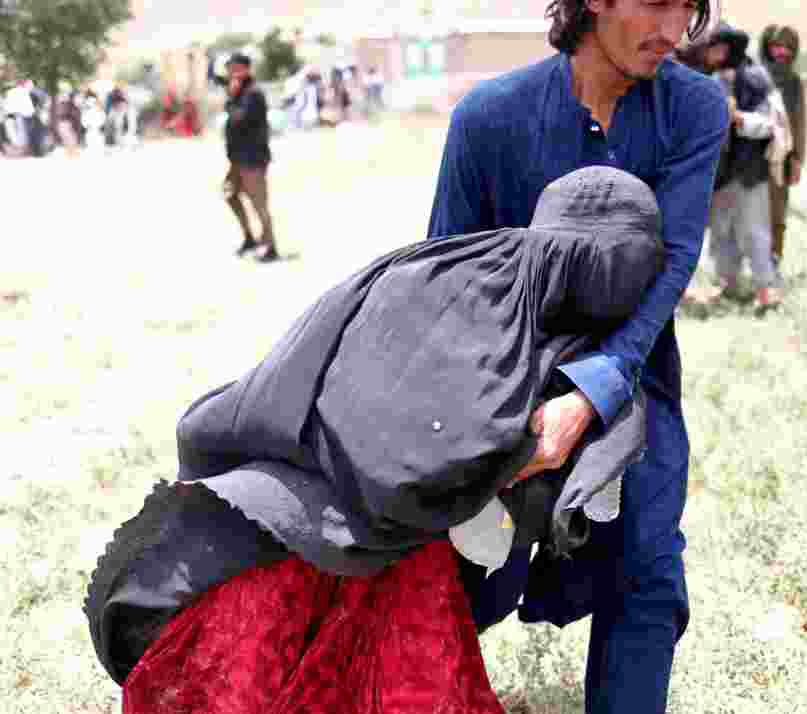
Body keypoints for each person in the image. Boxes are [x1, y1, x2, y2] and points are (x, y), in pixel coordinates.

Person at [86, 166, 665, 714]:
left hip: (312, 526)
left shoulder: (449, 268)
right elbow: (411, 464)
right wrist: (512, 459)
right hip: (309, 539)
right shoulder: (511, 324)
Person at [427, 1, 728, 712]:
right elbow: (447, 278)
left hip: (632, 369)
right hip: (501, 381)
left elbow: (673, 263)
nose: (676, 26)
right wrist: (499, 419)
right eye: (658, 2)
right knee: (458, 574)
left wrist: (590, 394)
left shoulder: (692, 108)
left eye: (690, 7)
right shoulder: (489, 117)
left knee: (647, 569)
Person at [702, 23, 790, 309]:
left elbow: (770, 124)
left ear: (728, 48)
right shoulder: (710, 79)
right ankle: (728, 284)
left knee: (754, 232)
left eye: (715, 46)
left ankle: (766, 290)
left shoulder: (754, 78)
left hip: (748, 170)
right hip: (719, 171)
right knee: (721, 230)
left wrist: (738, 118)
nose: (710, 52)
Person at [223, 52, 279, 262]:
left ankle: (270, 246)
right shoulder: (240, 92)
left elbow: (239, 118)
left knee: (259, 203)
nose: (231, 72)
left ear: (245, 69)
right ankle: (250, 238)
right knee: (230, 194)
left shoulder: (253, 93)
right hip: (237, 159)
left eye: (235, 67)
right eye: (229, 68)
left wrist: (232, 97)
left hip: (252, 158)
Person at [760, 25, 807, 265]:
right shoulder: (755, 75)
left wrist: (798, 158)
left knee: (778, 213)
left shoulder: (794, 81)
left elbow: (799, 123)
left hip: (783, 157)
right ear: (768, 47)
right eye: (777, 46)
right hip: (753, 156)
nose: (782, 52)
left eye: (788, 47)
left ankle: (774, 261)